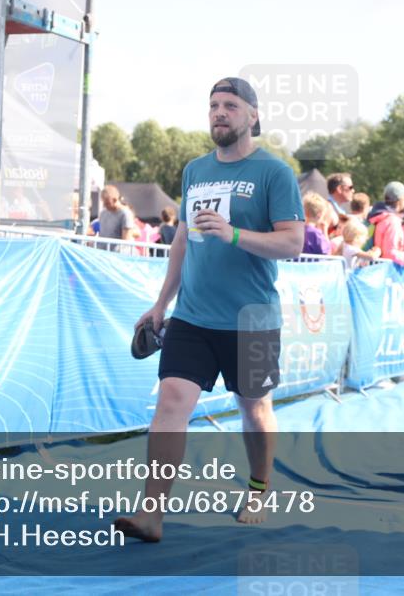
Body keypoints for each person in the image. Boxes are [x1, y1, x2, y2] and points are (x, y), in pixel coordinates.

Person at [115, 77, 304, 543]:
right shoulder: (196, 170)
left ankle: (258, 488)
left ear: (252, 116)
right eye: (214, 106)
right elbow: (183, 237)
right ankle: (151, 514)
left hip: (251, 318)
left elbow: (292, 242)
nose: (220, 112)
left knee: (255, 409)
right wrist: (162, 304)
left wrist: (234, 233)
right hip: (192, 317)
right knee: (171, 403)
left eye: (230, 106)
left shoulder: (273, 173)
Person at [368, 182, 404, 265]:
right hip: (384, 271)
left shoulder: (376, 216)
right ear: (400, 200)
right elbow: (391, 254)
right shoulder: (392, 221)